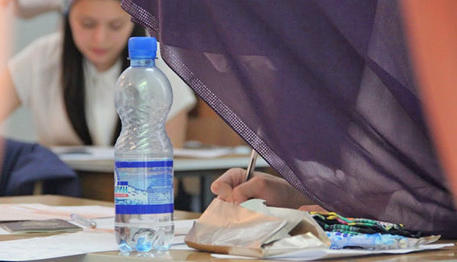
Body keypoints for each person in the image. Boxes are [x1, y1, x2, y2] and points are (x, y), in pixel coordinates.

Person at [120, 0, 457, 238]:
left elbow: (430, 202)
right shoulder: (358, 55)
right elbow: (392, 184)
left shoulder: (416, 28)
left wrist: (325, 211)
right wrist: (291, 193)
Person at [0, 0, 196, 148]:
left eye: (115, 26)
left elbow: (169, 170)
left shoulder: (162, 70)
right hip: (57, 195)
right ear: (67, 17)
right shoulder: (40, 58)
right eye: (87, 24)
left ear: (133, 23)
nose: (100, 38)